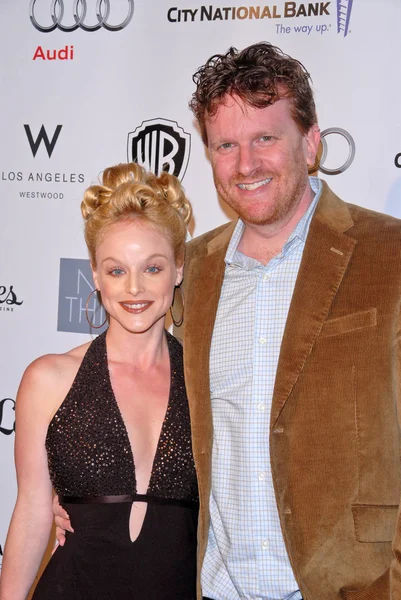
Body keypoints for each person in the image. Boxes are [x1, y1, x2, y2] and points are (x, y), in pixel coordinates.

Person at [54, 43, 401, 599]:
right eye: (226, 145)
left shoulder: (390, 255)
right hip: (216, 588)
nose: (246, 164)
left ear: (310, 144)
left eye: (266, 138)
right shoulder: (191, 272)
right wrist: (74, 489)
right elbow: (139, 390)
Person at [0, 162, 198, 600]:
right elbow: (32, 512)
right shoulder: (49, 379)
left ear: (178, 269)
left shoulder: (206, 380)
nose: (133, 289)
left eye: (152, 268)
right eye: (115, 270)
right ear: (94, 274)